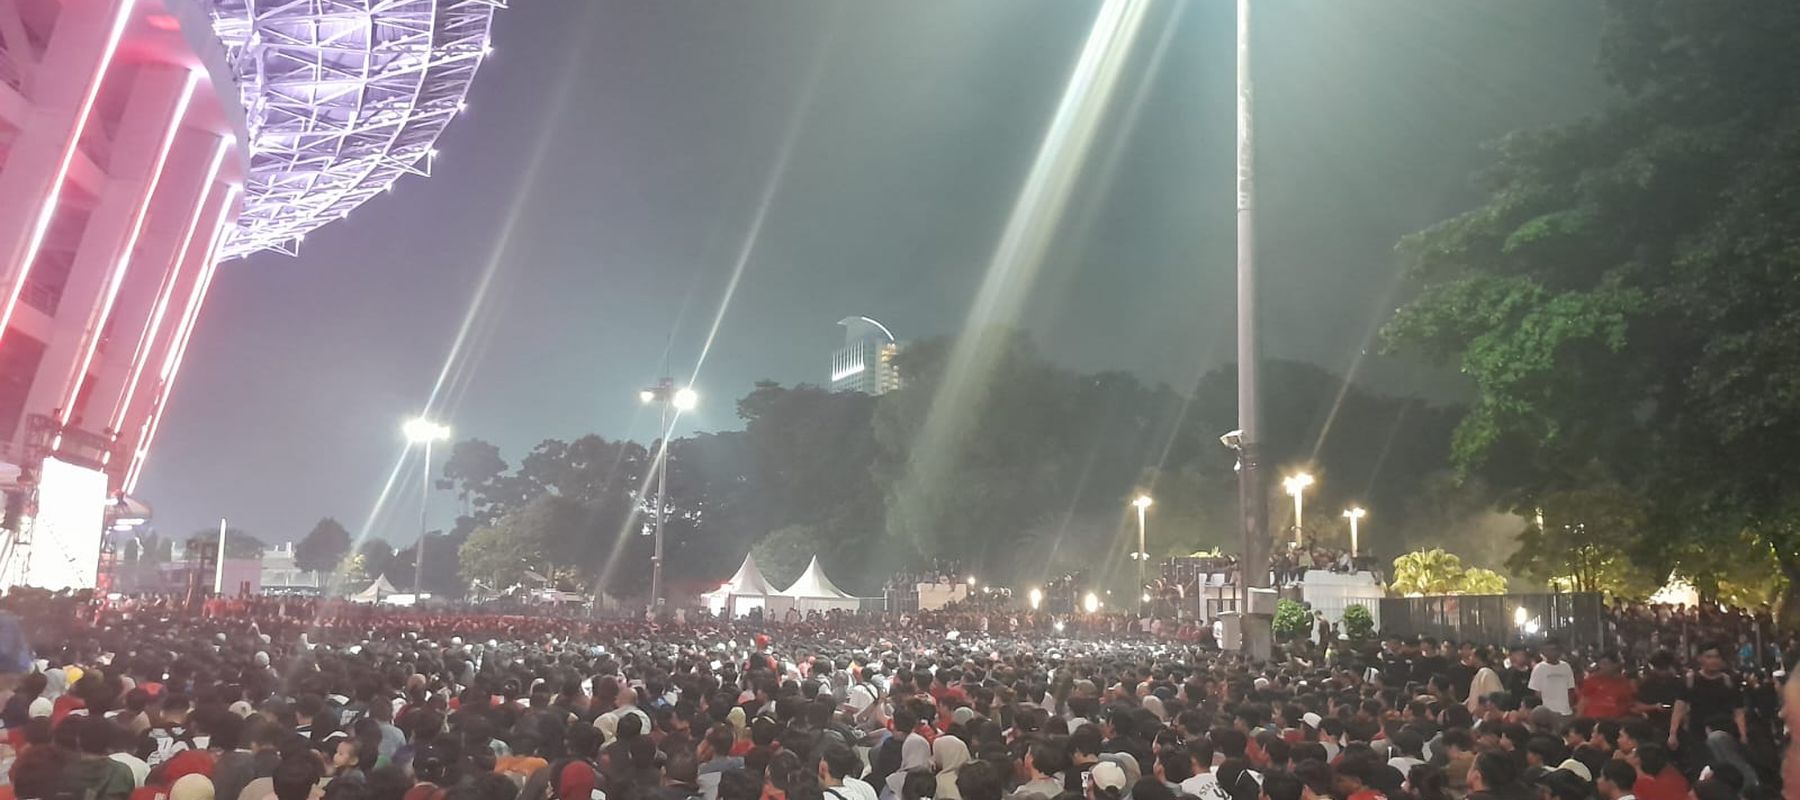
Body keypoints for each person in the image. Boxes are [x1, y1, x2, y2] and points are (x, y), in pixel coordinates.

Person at [1577, 653, 1635, 720]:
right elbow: (1583, 702)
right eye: (1601, 664)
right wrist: (1578, 721)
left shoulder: (1624, 682)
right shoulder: (1592, 680)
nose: (1602, 667)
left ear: (1616, 665)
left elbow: (1628, 703)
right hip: (1594, 720)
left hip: (1617, 721)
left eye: (1606, 664)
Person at [1527, 642, 1577, 718]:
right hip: (1547, 714)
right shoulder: (1538, 668)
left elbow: (1570, 689)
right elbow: (1536, 692)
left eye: (1555, 650)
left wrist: (1568, 706)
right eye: (1549, 650)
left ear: (1560, 651)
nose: (1552, 653)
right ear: (1544, 652)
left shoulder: (1566, 667)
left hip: (1565, 712)